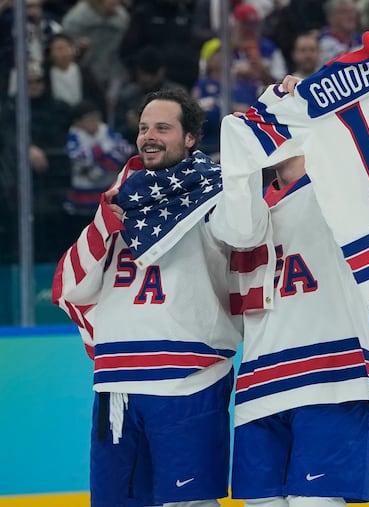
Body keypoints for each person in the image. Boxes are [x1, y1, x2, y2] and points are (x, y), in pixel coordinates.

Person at [52, 88, 272, 507]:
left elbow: (245, 234)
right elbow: (72, 288)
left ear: (189, 138)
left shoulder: (215, 194)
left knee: (190, 504)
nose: (149, 136)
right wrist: (104, 223)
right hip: (118, 383)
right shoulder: (120, 200)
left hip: (190, 378)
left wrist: (241, 168)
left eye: (163, 128)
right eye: (143, 128)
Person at [224, 151, 369, 507]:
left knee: (315, 502)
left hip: (329, 378)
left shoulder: (340, 187)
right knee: (260, 504)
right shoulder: (244, 212)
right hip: (258, 385)